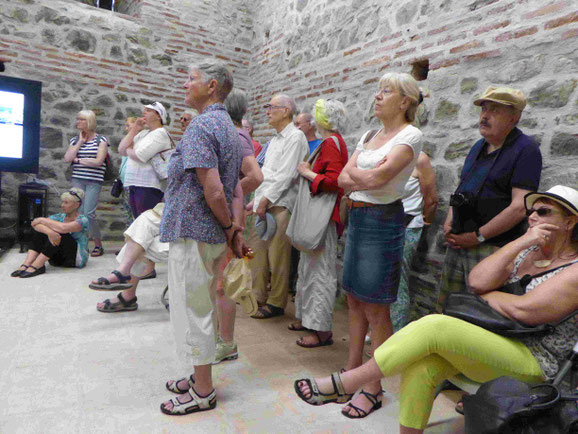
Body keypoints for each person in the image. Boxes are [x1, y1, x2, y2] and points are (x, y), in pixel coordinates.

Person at [294, 185, 578, 433]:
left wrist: (492, 297)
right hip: (499, 343)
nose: (532, 216)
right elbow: (477, 282)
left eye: (543, 212)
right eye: (532, 211)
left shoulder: (574, 270)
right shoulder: (528, 252)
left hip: (536, 363)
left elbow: (525, 312)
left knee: (435, 326)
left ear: (570, 222)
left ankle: (348, 381)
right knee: (423, 364)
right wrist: (523, 240)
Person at [158, 61, 246, 415]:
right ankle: (199, 377)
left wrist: (229, 228)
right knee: (202, 305)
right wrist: (231, 230)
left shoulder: (202, 126)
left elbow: (214, 190)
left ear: (211, 86)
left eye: (191, 78)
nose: (185, 83)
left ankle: (204, 390)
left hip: (194, 229)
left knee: (192, 309)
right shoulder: (226, 125)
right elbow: (231, 185)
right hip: (207, 232)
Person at [336, 71, 423, 417]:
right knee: (354, 299)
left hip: (382, 221)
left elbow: (377, 178)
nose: (377, 96)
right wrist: (362, 178)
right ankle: (352, 372)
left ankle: (373, 386)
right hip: (358, 217)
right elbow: (344, 178)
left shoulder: (411, 135)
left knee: (376, 307)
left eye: (386, 91)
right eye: (378, 90)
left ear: (405, 102)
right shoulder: (371, 134)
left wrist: (360, 177)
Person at [437, 86, 542, 309]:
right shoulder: (478, 147)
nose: (484, 115)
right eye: (484, 109)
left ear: (514, 117)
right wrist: (449, 221)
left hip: (491, 250)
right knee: (447, 308)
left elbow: (520, 207)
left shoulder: (526, 150)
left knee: (476, 313)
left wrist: (478, 237)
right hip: (459, 245)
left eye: (494, 110)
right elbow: (462, 189)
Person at [290, 99, 349, 348]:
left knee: (320, 273)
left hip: (324, 218)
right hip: (322, 217)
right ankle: (308, 320)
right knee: (309, 270)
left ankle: (321, 331)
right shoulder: (332, 142)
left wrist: (307, 173)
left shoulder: (331, 143)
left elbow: (336, 182)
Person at [248, 94, 309, 319]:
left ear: (286, 111)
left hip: (281, 204)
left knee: (278, 256)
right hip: (265, 203)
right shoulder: (274, 141)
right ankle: (257, 295)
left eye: (271, 107)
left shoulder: (296, 137)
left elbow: (286, 175)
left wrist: (264, 201)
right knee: (257, 253)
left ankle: (276, 303)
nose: (267, 111)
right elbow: (267, 174)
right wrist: (256, 200)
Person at [214, 88, 263, 363]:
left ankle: (227, 343)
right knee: (217, 281)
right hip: (226, 216)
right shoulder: (233, 134)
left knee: (224, 283)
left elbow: (256, 176)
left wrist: (229, 193)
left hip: (230, 219)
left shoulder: (238, 135)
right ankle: (219, 338)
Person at [389, 151, 438, 332]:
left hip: (407, 225)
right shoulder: (388, 155)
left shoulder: (420, 159)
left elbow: (432, 200)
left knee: (398, 281)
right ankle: (380, 328)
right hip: (384, 224)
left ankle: (395, 335)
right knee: (382, 280)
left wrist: (425, 223)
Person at [92, 202, 168, 313]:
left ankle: (127, 293)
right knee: (143, 226)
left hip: (194, 232)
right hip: (177, 219)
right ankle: (124, 273)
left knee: (139, 245)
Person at [11, 188, 89, 278]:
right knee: (42, 230)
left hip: (73, 259)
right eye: (62, 202)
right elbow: (35, 224)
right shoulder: (59, 216)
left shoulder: (83, 220)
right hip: (56, 259)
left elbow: (63, 228)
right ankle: (27, 264)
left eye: (66, 203)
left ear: (76, 205)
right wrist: (49, 232)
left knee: (59, 232)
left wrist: (42, 220)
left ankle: (37, 265)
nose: (62, 205)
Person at [63, 110, 108, 257]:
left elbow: (98, 161)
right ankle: (80, 244)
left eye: (81, 119)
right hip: (77, 179)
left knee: (88, 213)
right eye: (78, 119)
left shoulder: (101, 140)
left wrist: (78, 160)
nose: (78, 122)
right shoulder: (75, 140)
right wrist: (80, 142)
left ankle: (98, 244)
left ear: (89, 121)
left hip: (94, 181)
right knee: (77, 213)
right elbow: (68, 158)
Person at [118, 101, 171, 219]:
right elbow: (121, 149)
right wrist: (134, 129)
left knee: (145, 222)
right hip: (133, 183)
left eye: (148, 110)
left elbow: (140, 156)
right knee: (137, 221)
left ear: (158, 115)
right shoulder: (143, 133)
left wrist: (130, 148)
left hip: (148, 186)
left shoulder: (160, 133)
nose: (144, 112)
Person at [118, 117, 138, 229]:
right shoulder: (127, 140)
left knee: (133, 212)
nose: (126, 129)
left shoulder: (139, 140)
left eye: (128, 125)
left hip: (133, 182)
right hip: (125, 182)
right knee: (127, 213)